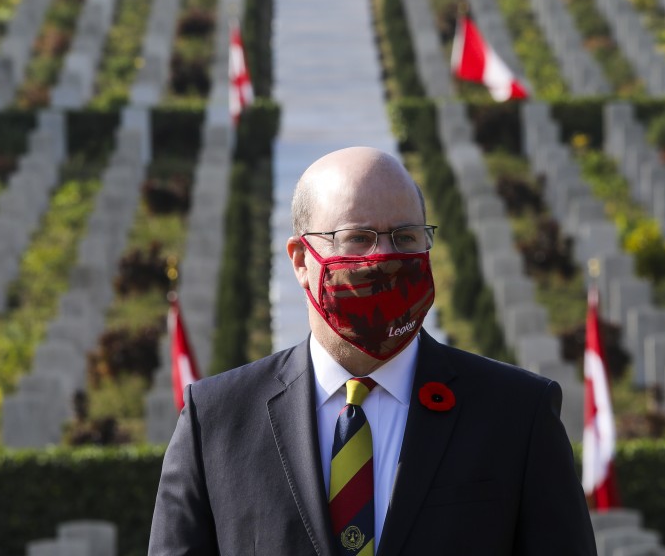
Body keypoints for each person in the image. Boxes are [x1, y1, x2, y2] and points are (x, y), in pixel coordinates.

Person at [148, 147, 596, 555]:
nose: (385, 258)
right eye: (358, 237)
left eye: (405, 237)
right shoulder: (217, 420)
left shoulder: (518, 414)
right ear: (301, 261)